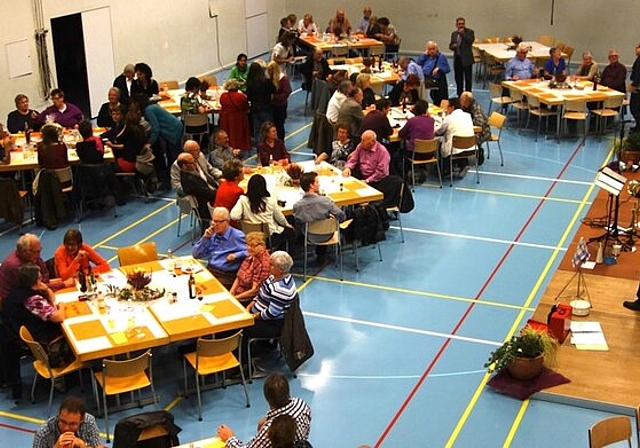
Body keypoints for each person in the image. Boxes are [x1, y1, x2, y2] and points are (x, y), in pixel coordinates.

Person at [217, 373, 311, 448]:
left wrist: (230, 438)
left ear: (267, 399)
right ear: (288, 392)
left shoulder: (271, 429)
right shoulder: (302, 405)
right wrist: (269, 418)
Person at [3, 264, 70, 366]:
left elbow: (52, 300)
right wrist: (62, 307)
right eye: (40, 277)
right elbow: (58, 317)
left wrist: (46, 288)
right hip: (44, 342)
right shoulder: (33, 299)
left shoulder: (18, 290)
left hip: (24, 334)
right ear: (37, 279)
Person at [230, 174, 295, 250]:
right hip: (268, 238)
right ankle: (281, 253)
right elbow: (280, 219)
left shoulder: (243, 200)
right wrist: (288, 225)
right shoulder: (270, 201)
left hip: (250, 236)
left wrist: (244, 218)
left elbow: (233, 216)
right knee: (291, 232)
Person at [0, 234, 70, 304]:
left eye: (39, 250)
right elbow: (33, 288)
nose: (39, 255)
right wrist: (62, 284)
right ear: (25, 252)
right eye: (36, 252)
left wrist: (43, 285)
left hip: (30, 295)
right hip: (15, 303)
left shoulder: (32, 256)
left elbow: (45, 273)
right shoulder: (15, 266)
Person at [132, 93, 183, 189]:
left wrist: (149, 143)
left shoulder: (148, 110)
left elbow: (156, 128)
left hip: (172, 130)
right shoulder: (152, 107)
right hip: (174, 127)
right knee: (171, 155)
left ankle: (177, 179)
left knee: (174, 156)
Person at [293, 171, 346, 263]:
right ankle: (322, 255)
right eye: (317, 182)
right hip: (327, 235)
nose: (319, 184)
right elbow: (342, 216)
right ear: (311, 186)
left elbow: (297, 221)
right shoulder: (326, 201)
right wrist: (333, 221)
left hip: (308, 236)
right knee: (324, 219)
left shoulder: (297, 206)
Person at [192, 206, 247, 289]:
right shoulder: (211, 234)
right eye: (214, 221)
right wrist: (205, 238)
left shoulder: (237, 236)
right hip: (210, 270)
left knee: (207, 290)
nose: (215, 224)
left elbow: (251, 252)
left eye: (219, 222)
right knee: (192, 284)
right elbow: (195, 254)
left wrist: (237, 255)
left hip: (226, 275)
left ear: (227, 222)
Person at [33, 396, 103, 448]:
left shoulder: (88, 422)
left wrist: (83, 446)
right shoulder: (43, 433)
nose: (66, 428)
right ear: (58, 415)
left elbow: (98, 446)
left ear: (82, 420)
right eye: (63, 422)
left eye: (72, 424)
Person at [435, 97, 475, 176]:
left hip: (455, 150)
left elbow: (439, 131)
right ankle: (462, 164)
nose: (447, 109)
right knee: (459, 141)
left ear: (452, 107)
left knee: (441, 141)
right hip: (470, 147)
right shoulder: (468, 115)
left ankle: (445, 169)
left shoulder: (449, 118)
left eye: (448, 107)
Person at [228, 231, 271, 303]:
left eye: (252, 245)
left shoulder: (264, 264)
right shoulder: (251, 255)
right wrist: (231, 292)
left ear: (262, 246)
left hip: (247, 299)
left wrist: (235, 298)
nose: (249, 248)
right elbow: (239, 277)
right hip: (237, 293)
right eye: (248, 245)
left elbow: (254, 291)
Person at [178, 152, 217, 221]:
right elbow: (208, 194)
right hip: (206, 207)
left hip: (211, 195)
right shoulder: (190, 180)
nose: (195, 164)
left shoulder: (192, 172)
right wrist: (220, 192)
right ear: (184, 166)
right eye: (192, 163)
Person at [246, 61, 275, 147]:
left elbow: (248, 97)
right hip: (266, 108)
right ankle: (270, 148)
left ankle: (260, 150)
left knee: (257, 131)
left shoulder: (250, 83)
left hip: (255, 109)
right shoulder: (266, 81)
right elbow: (274, 90)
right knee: (268, 129)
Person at [220, 79, 251, 150]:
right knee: (239, 134)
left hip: (227, 119)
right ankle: (240, 147)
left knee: (229, 134)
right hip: (239, 118)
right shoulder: (241, 96)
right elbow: (246, 106)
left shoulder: (223, 96)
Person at [416, 41, 450, 106]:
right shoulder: (426, 56)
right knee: (412, 81)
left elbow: (447, 69)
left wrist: (439, 68)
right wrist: (424, 55)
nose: (432, 51)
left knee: (418, 83)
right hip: (424, 76)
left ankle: (421, 102)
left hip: (433, 79)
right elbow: (418, 62)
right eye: (430, 49)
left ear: (436, 49)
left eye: (433, 49)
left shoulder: (441, 57)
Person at [460, 91, 490, 164]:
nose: (460, 101)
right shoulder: (466, 107)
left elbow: (479, 123)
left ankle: (478, 152)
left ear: (466, 101)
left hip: (483, 133)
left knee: (462, 138)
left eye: (461, 100)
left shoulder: (476, 108)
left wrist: (468, 123)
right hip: (473, 130)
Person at [449, 17, 475, 96]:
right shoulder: (454, 34)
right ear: (456, 25)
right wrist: (453, 46)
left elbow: (470, 41)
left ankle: (468, 96)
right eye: (459, 24)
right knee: (458, 79)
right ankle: (459, 95)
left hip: (467, 60)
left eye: (463, 24)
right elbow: (450, 46)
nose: (461, 25)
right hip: (457, 59)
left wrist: (462, 34)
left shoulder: (470, 32)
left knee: (468, 79)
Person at [267, 61, 292, 141]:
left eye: (271, 70)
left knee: (279, 126)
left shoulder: (283, 79)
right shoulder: (269, 79)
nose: (269, 72)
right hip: (271, 106)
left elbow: (287, 92)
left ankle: (281, 142)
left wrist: (275, 97)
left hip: (280, 106)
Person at [630, 43, 640, 132]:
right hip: (636, 86)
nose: (637, 50)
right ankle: (637, 126)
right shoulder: (638, 59)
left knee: (636, 108)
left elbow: (638, 74)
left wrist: (634, 85)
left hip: (638, 88)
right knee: (634, 108)